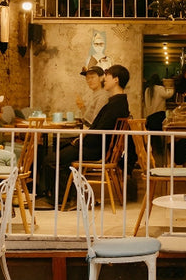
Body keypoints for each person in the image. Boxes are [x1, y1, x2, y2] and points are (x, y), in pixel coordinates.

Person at [40, 64, 131, 207]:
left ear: (116, 80)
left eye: (107, 76)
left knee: (51, 160)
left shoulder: (115, 104)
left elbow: (99, 131)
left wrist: (80, 141)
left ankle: (62, 199)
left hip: (95, 149)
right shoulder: (118, 102)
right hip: (96, 145)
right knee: (58, 151)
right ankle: (71, 197)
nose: (104, 79)